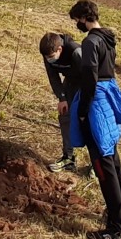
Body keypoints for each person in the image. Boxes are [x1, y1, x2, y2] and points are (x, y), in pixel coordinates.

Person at [68, 0, 121, 239]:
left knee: (103, 167)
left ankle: (116, 228)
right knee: (113, 160)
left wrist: (83, 111)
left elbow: (89, 76)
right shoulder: (108, 38)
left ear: (84, 18)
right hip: (108, 100)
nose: (76, 25)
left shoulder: (90, 42)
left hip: (96, 105)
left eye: (77, 20)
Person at [40, 32, 83, 173]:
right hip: (70, 82)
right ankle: (68, 158)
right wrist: (62, 98)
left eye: (51, 57)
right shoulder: (48, 53)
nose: (48, 60)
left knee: (89, 121)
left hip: (87, 83)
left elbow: (90, 76)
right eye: (46, 58)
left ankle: (97, 162)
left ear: (60, 50)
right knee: (65, 116)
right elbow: (53, 77)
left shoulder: (76, 52)